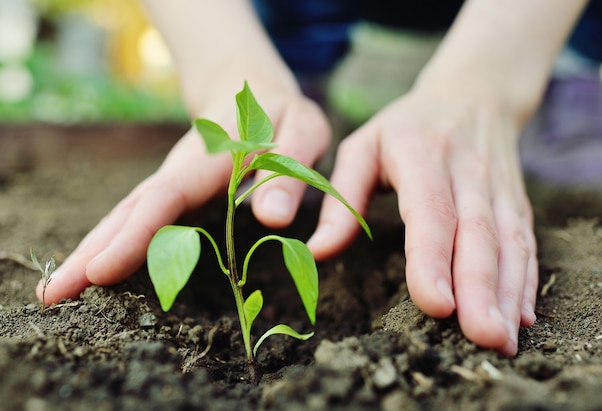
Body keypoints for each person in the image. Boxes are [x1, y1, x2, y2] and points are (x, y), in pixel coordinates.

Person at [37, 0, 598, 357]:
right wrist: (226, 67)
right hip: (297, 32)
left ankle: (563, 73)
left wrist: (486, 89)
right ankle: (300, 69)